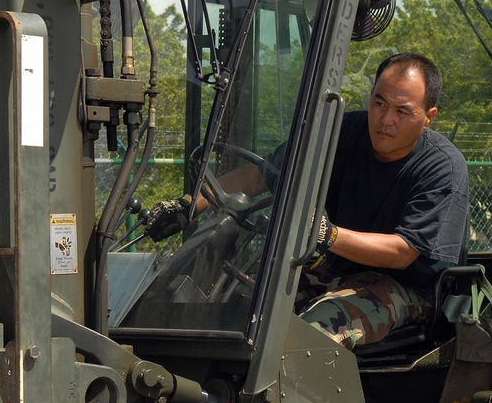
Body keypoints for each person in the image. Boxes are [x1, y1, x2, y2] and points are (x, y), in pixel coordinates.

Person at [147, 53, 469, 349]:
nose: (385, 120)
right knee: (243, 307)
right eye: (379, 103)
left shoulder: (442, 167)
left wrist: (327, 235)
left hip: (409, 287)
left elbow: (403, 253)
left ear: (429, 117)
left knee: (318, 328)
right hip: (337, 268)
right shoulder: (342, 132)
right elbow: (258, 175)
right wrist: (186, 206)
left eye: (402, 112)